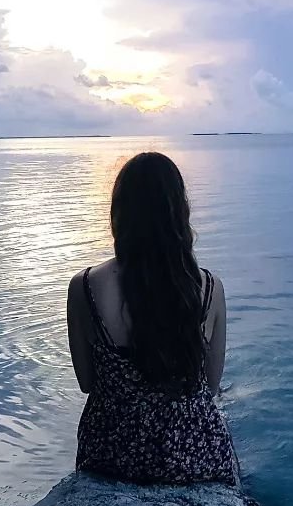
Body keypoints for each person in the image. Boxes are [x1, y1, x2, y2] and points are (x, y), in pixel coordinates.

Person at [66, 152, 239, 485]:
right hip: (194, 456)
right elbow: (212, 385)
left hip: (111, 456)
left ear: (119, 213)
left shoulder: (84, 287)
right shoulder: (208, 288)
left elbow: (87, 382)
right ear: (179, 213)